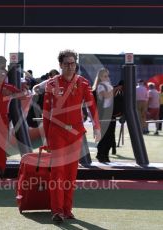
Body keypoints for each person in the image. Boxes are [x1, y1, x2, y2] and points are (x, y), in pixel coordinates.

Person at [43, 49, 101, 223]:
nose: (70, 67)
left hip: (75, 134)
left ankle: (67, 210)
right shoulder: (51, 84)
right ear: (60, 65)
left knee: (71, 173)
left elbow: (91, 106)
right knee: (57, 173)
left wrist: (97, 127)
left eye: (72, 63)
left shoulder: (83, 83)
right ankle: (57, 211)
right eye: (66, 64)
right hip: (57, 133)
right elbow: (46, 112)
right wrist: (46, 137)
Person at [92, 68, 114, 162]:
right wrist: (116, 89)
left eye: (107, 75)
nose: (107, 77)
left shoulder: (107, 85)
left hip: (109, 112)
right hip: (104, 114)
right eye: (105, 76)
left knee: (110, 136)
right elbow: (106, 96)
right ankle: (101, 155)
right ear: (100, 77)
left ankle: (105, 155)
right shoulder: (100, 86)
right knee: (105, 136)